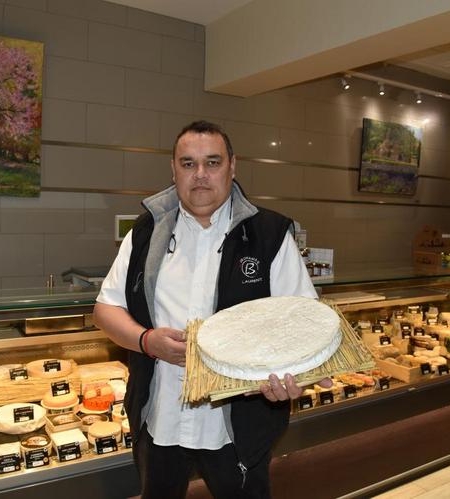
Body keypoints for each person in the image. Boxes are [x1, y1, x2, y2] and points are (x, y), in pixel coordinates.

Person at [94, 121, 318, 498]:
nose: (200, 175)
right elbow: (106, 309)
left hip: (236, 428)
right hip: (160, 420)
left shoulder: (270, 235)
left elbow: (304, 323)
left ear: (233, 166)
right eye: (188, 164)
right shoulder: (145, 232)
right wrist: (147, 341)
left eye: (212, 163)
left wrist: (290, 376)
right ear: (173, 169)